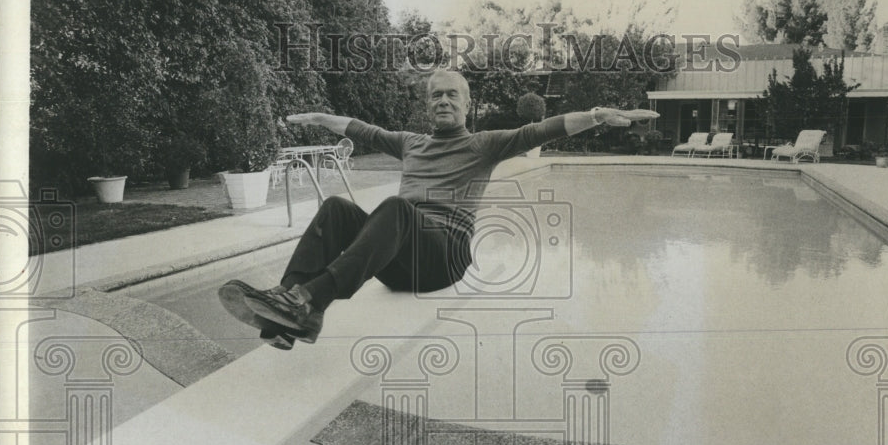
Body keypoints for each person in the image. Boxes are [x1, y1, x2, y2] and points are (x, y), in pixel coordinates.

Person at [218, 69, 658, 349]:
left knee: (394, 208)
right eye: (436, 97)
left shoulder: (483, 144)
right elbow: (362, 130)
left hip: (444, 257)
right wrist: (319, 118)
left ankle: (306, 300)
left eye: (452, 96)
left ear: (467, 105)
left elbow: (539, 130)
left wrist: (597, 114)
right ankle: (287, 315)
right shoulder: (412, 142)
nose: (443, 102)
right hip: (398, 259)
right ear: (427, 105)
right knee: (335, 207)